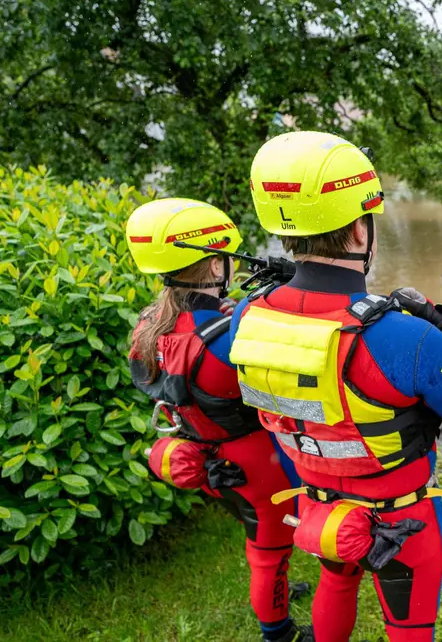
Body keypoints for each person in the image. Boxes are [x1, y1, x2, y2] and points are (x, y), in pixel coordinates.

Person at [227, 131, 442, 642]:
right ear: (358, 229)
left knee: (336, 579)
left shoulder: (248, 316)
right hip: (403, 518)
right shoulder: (407, 337)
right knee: (409, 628)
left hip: (319, 503)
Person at [125, 198, 311, 642]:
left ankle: (278, 590)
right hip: (257, 466)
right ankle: (278, 631)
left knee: (263, 543)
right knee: (268, 550)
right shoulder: (225, 342)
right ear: (213, 267)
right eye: (227, 258)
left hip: (207, 456)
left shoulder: (150, 325)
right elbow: (290, 395)